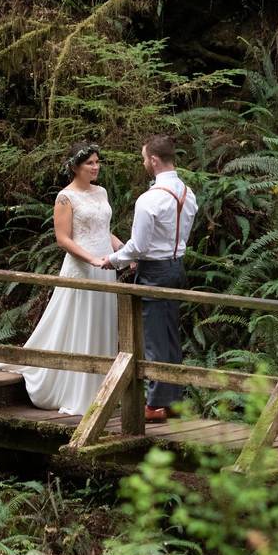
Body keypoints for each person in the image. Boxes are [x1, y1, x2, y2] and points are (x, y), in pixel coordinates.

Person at [15, 141, 125, 415]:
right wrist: (91, 259)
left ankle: (102, 388)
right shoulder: (65, 197)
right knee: (80, 320)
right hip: (82, 266)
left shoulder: (102, 192)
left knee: (102, 320)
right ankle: (76, 389)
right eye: (90, 163)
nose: (95, 167)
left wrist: (122, 249)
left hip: (105, 266)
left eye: (98, 162)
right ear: (75, 167)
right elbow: (63, 239)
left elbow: (103, 229)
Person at [100, 134, 197, 423]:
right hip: (177, 267)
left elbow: (139, 246)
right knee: (170, 336)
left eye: (144, 158)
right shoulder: (187, 194)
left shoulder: (150, 199)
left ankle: (155, 405)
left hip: (154, 271)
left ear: (154, 160)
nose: (143, 163)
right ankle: (174, 401)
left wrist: (114, 260)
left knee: (154, 338)